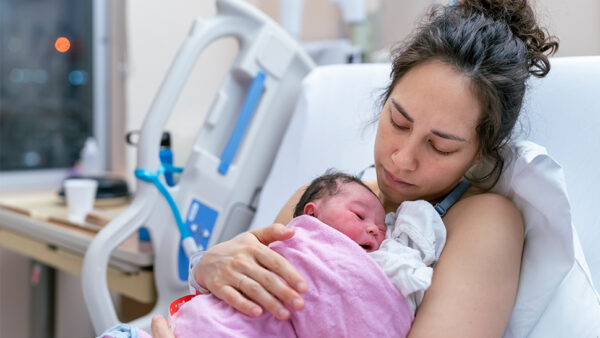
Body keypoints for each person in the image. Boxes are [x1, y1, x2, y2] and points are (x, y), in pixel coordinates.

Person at [153, 0, 559, 336]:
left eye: (438, 146)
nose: (402, 159)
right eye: (398, 122)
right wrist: (208, 269)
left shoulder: (484, 221)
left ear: (480, 154)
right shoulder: (324, 199)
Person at [163, 171, 443, 337]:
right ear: (312, 213)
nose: (373, 230)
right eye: (359, 216)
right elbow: (248, 279)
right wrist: (204, 267)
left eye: (382, 229)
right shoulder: (301, 236)